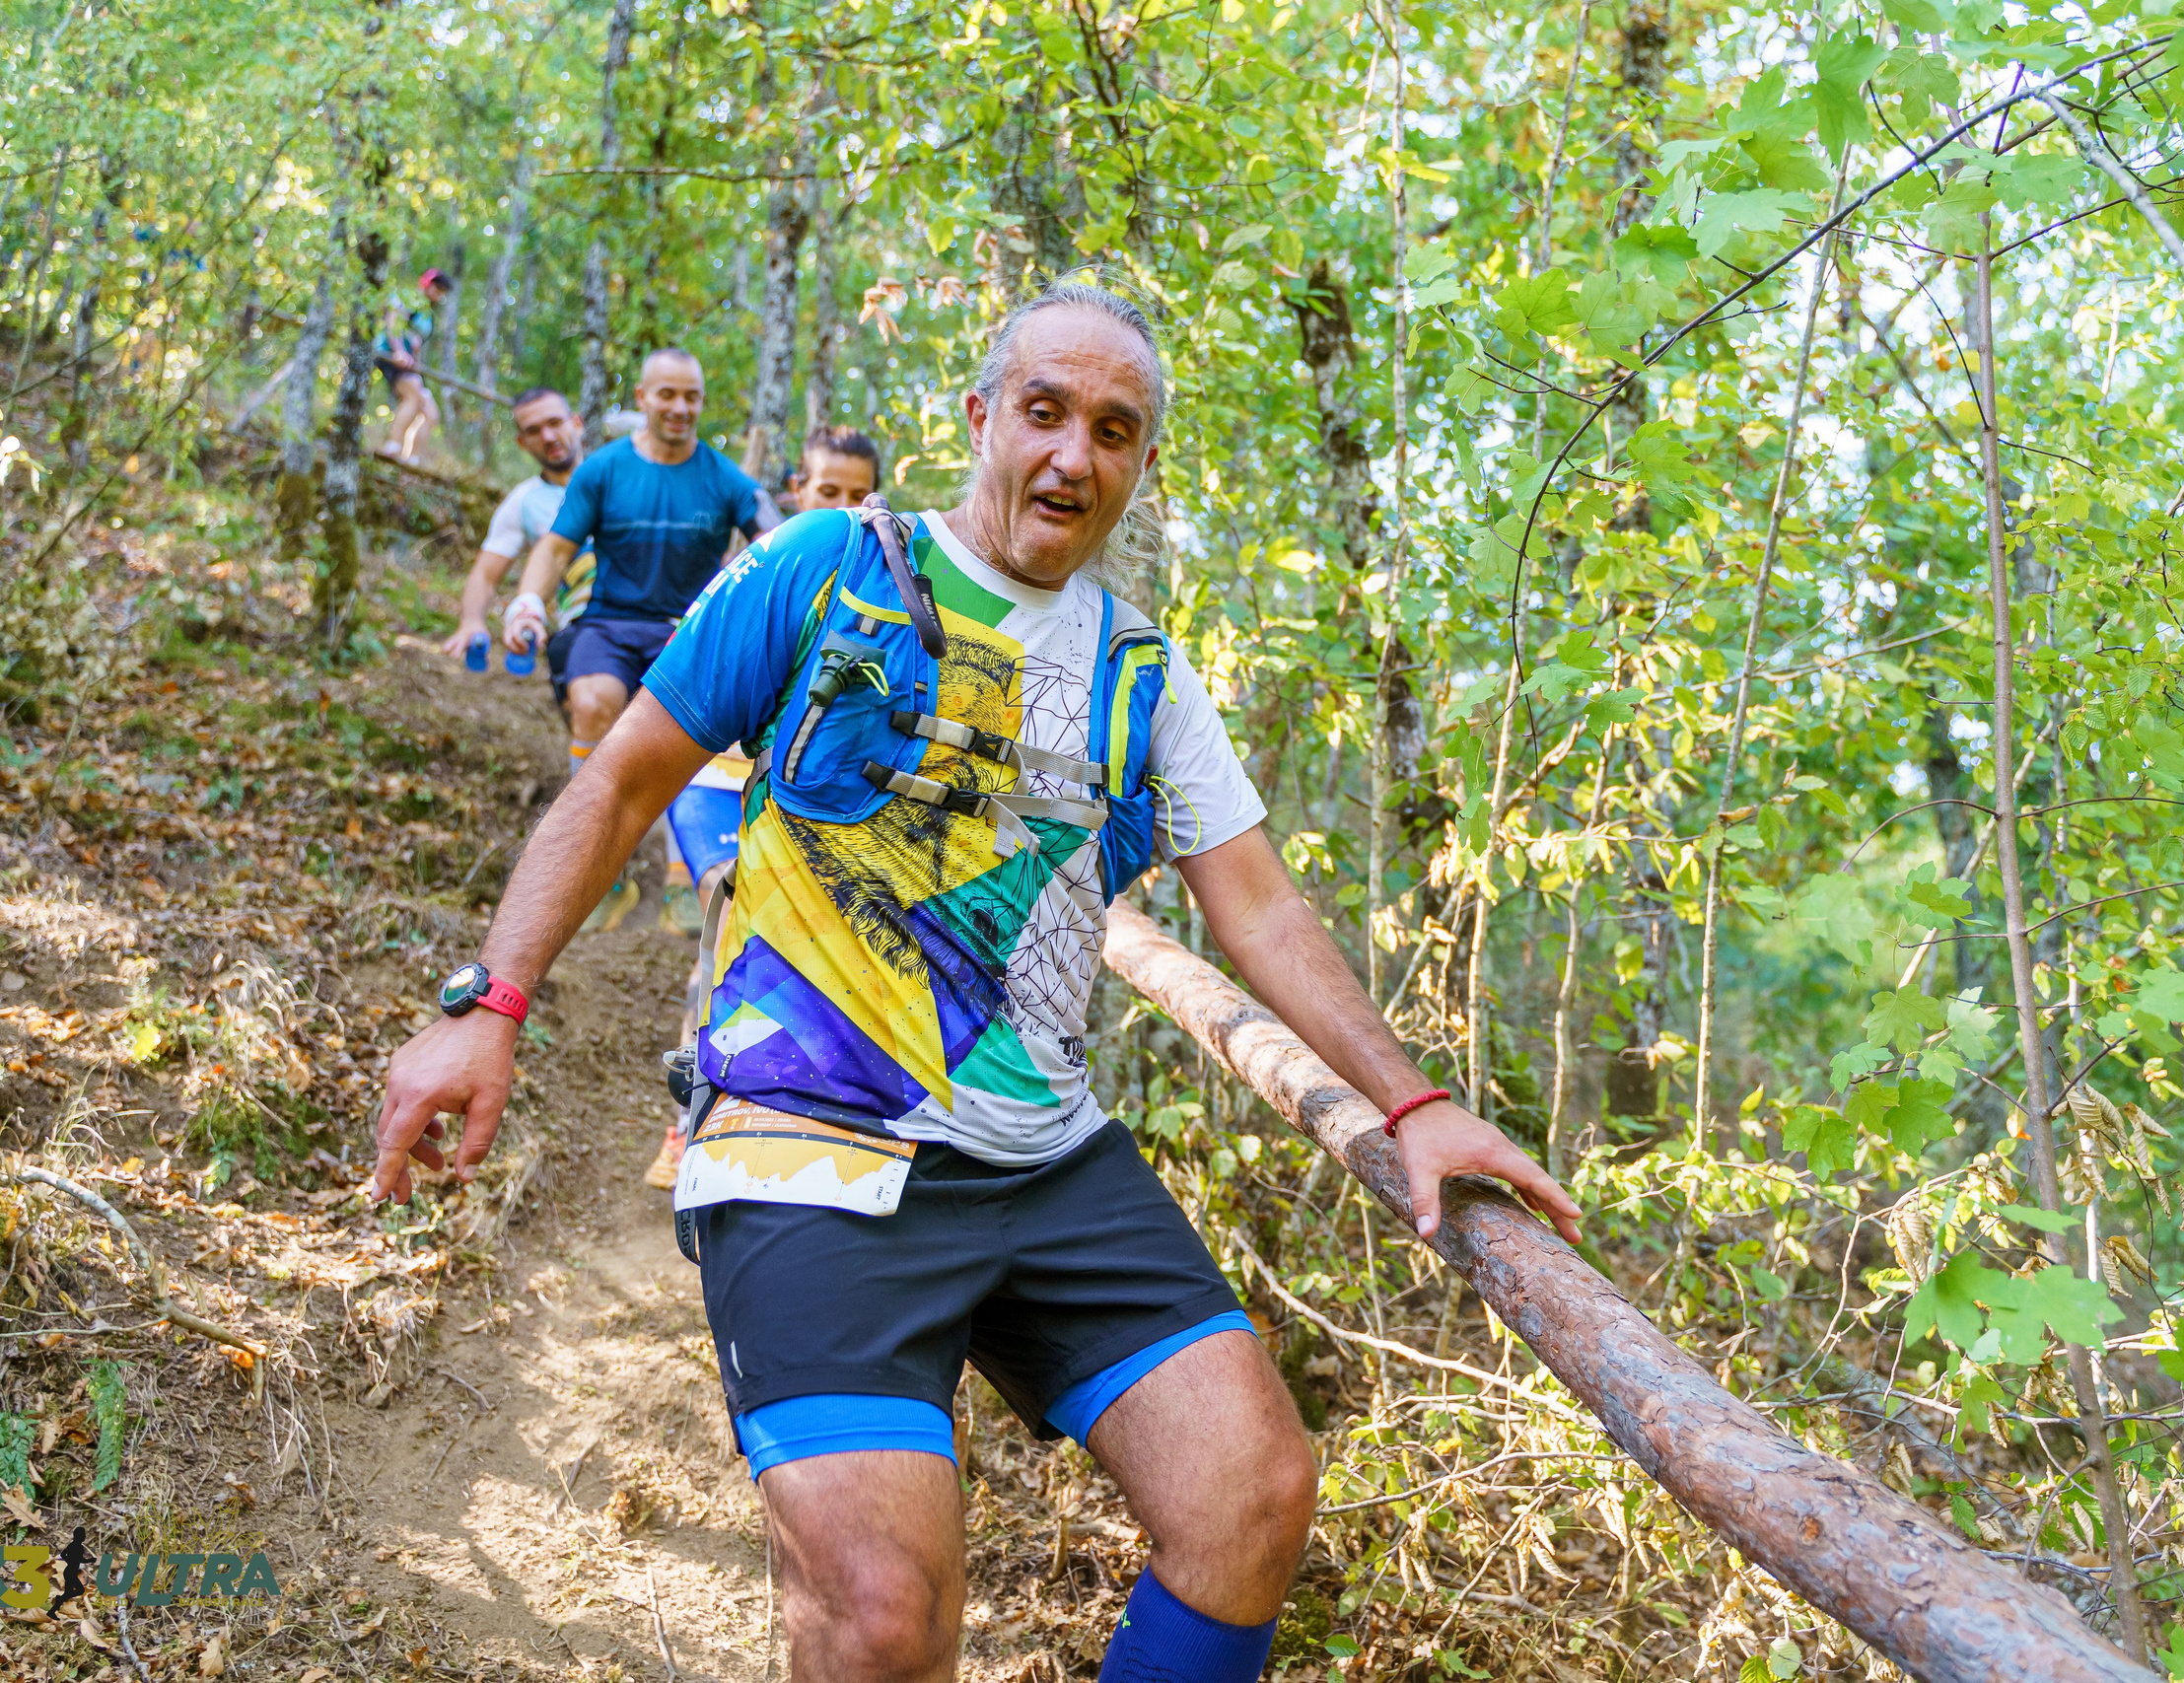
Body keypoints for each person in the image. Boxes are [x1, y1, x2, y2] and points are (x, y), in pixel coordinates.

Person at [372, 281, 1584, 1683]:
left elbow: (1260, 904)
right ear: (983, 417)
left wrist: (1414, 1098)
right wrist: (490, 1000)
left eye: (1114, 430)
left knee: (1251, 1491)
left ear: (1138, 465)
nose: (1073, 453)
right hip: (807, 1142)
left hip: (1043, 1153)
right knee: (884, 1616)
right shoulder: (828, 563)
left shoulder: (1143, 672)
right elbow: (624, 783)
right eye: (1046, 410)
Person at [635, 420, 888, 1188]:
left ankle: (787, 1116)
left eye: (857, 493)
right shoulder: (761, 571)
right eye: (826, 491)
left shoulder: (891, 591)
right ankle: (687, 1121)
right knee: (728, 924)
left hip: (806, 813)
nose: (842, 504)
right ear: (796, 494)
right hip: (716, 788)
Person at [501, 348, 780, 934]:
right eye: (668, 395)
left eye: (692, 397)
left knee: (690, 733)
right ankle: (605, 872)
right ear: (644, 399)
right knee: (593, 702)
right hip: (608, 621)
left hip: (690, 627)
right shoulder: (602, 469)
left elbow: (775, 541)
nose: (680, 408)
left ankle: (685, 879)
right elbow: (554, 547)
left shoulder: (724, 477)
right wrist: (528, 599)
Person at [440, 387, 585, 668]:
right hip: (581, 629)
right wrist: (471, 620)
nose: (549, 437)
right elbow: (485, 573)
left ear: (576, 423)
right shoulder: (523, 501)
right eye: (534, 431)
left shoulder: (619, 477)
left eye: (555, 423)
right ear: (522, 442)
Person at [374, 269, 455, 463]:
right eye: (437, 287)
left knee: (431, 413)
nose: (439, 293)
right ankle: (392, 446)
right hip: (389, 355)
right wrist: (399, 350)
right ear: (427, 283)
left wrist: (415, 361)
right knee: (413, 395)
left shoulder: (428, 313)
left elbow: (417, 342)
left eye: (442, 290)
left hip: (409, 365)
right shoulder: (407, 297)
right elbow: (393, 321)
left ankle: (412, 459)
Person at [784, 423, 881, 512]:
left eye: (859, 497)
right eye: (829, 493)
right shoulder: (779, 531)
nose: (844, 506)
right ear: (797, 490)